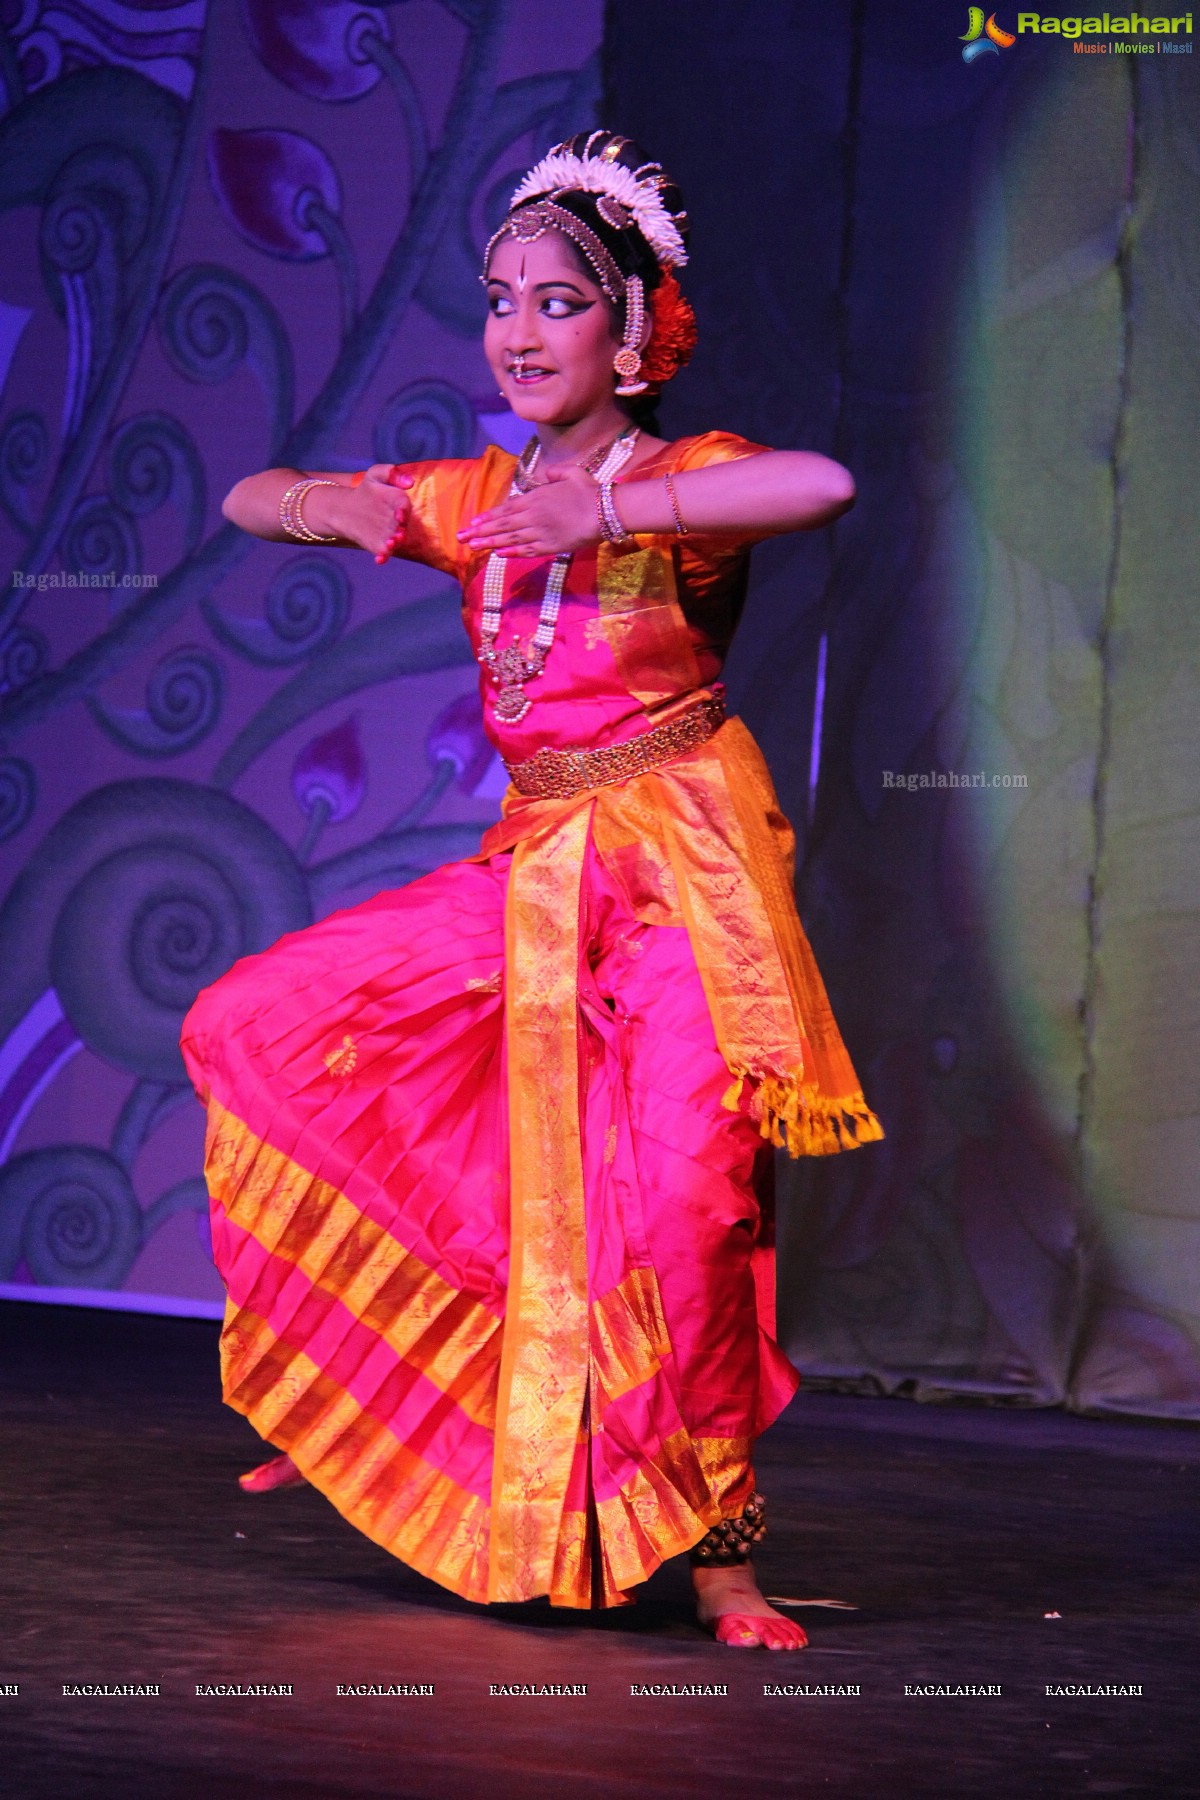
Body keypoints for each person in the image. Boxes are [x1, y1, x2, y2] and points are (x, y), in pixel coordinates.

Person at [180, 131, 881, 1652]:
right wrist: (329, 506)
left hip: (683, 879)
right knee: (259, 1023)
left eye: (557, 300)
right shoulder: (476, 490)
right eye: (498, 299)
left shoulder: (680, 483)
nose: (517, 330)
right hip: (536, 872)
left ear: (632, 329)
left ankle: (723, 1560)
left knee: (691, 1208)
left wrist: (613, 519)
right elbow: (247, 491)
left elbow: (821, 482)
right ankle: (407, 1401)